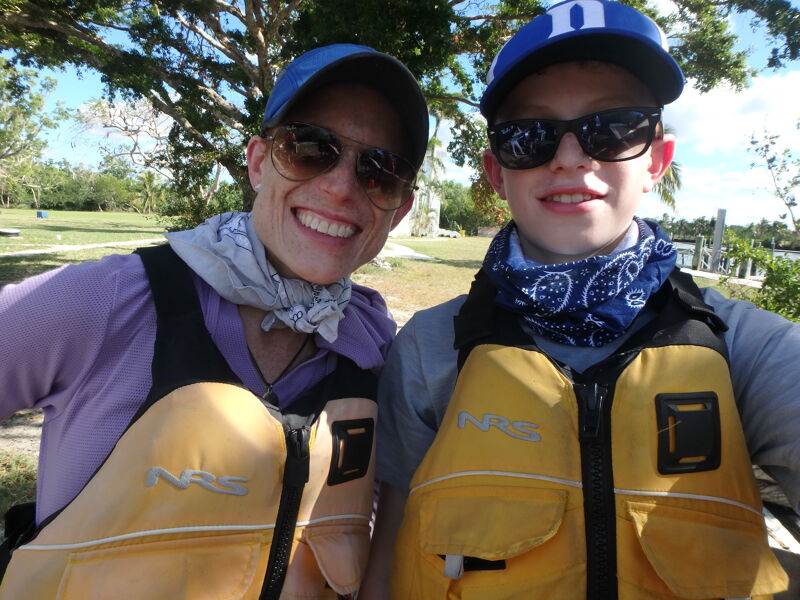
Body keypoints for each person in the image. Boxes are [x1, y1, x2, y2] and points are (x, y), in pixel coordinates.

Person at [363, 1, 800, 598]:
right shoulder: (429, 350)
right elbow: (388, 558)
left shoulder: (743, 345)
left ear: (656, 161)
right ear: (496, 172)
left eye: (613, 128)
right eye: (530, 136)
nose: (570, 158)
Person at [0, 43, 428, 599]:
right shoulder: (110, 301)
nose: (343, 187)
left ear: (397, 209)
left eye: (381, 171)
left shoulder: (371, 341)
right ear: (257, 162)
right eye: (310, 149)